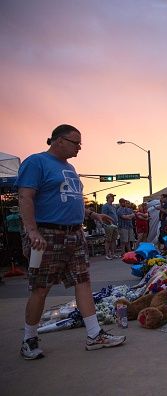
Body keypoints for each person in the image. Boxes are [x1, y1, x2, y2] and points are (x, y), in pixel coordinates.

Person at [16, 124, 125, 360]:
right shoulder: (36, 162)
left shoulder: (71, 168)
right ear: (58, 140)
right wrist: (32, 231)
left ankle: (95, 335)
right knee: (41, 288)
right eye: (76, 143)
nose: (79, 148)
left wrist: (93, 214)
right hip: (47, 235)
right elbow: (25, 197)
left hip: (75, 235)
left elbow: (68, 198)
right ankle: (29, 338)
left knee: (83, 281)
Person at [101, 193, 118, 260]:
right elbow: (104, 215)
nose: (113, 198)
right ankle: (107, 254)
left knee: (113, 240)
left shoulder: (113, 206)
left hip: (115, 225)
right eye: (112, 197)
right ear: (108, 198)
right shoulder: (105, 206)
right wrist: (109, 221)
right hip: (108, 225)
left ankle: (113, 253)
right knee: (108, 240)